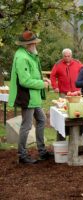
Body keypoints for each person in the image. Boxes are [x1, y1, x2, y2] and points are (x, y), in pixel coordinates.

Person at [8, 30, 52, 164]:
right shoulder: (22, 57)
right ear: (28, 44)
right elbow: (24, 81)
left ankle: (42, 151)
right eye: (34, 43)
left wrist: (42, 78)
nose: (35, 45)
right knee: (26, 126)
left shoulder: (29, 55)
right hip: (26, 96)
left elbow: (31, 75)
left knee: (42, 119)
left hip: (34, 97)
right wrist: (42, 84)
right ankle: (22, 155)